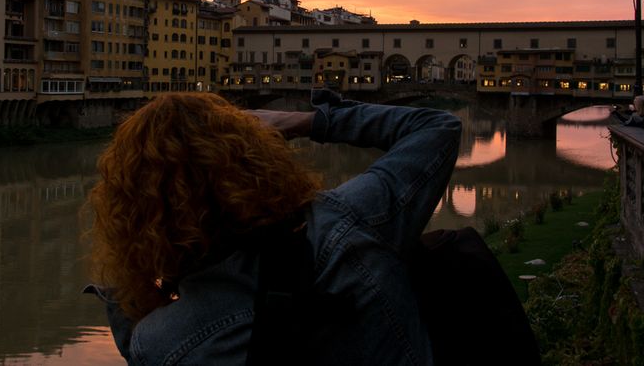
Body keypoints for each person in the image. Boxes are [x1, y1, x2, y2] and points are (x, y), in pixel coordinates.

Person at [87, 90, 479, 364]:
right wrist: (305, 121)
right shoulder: (351, 219)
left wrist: (133, 283)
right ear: (257, 160)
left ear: (133, 210)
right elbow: (435, 128)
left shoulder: (160, 342)